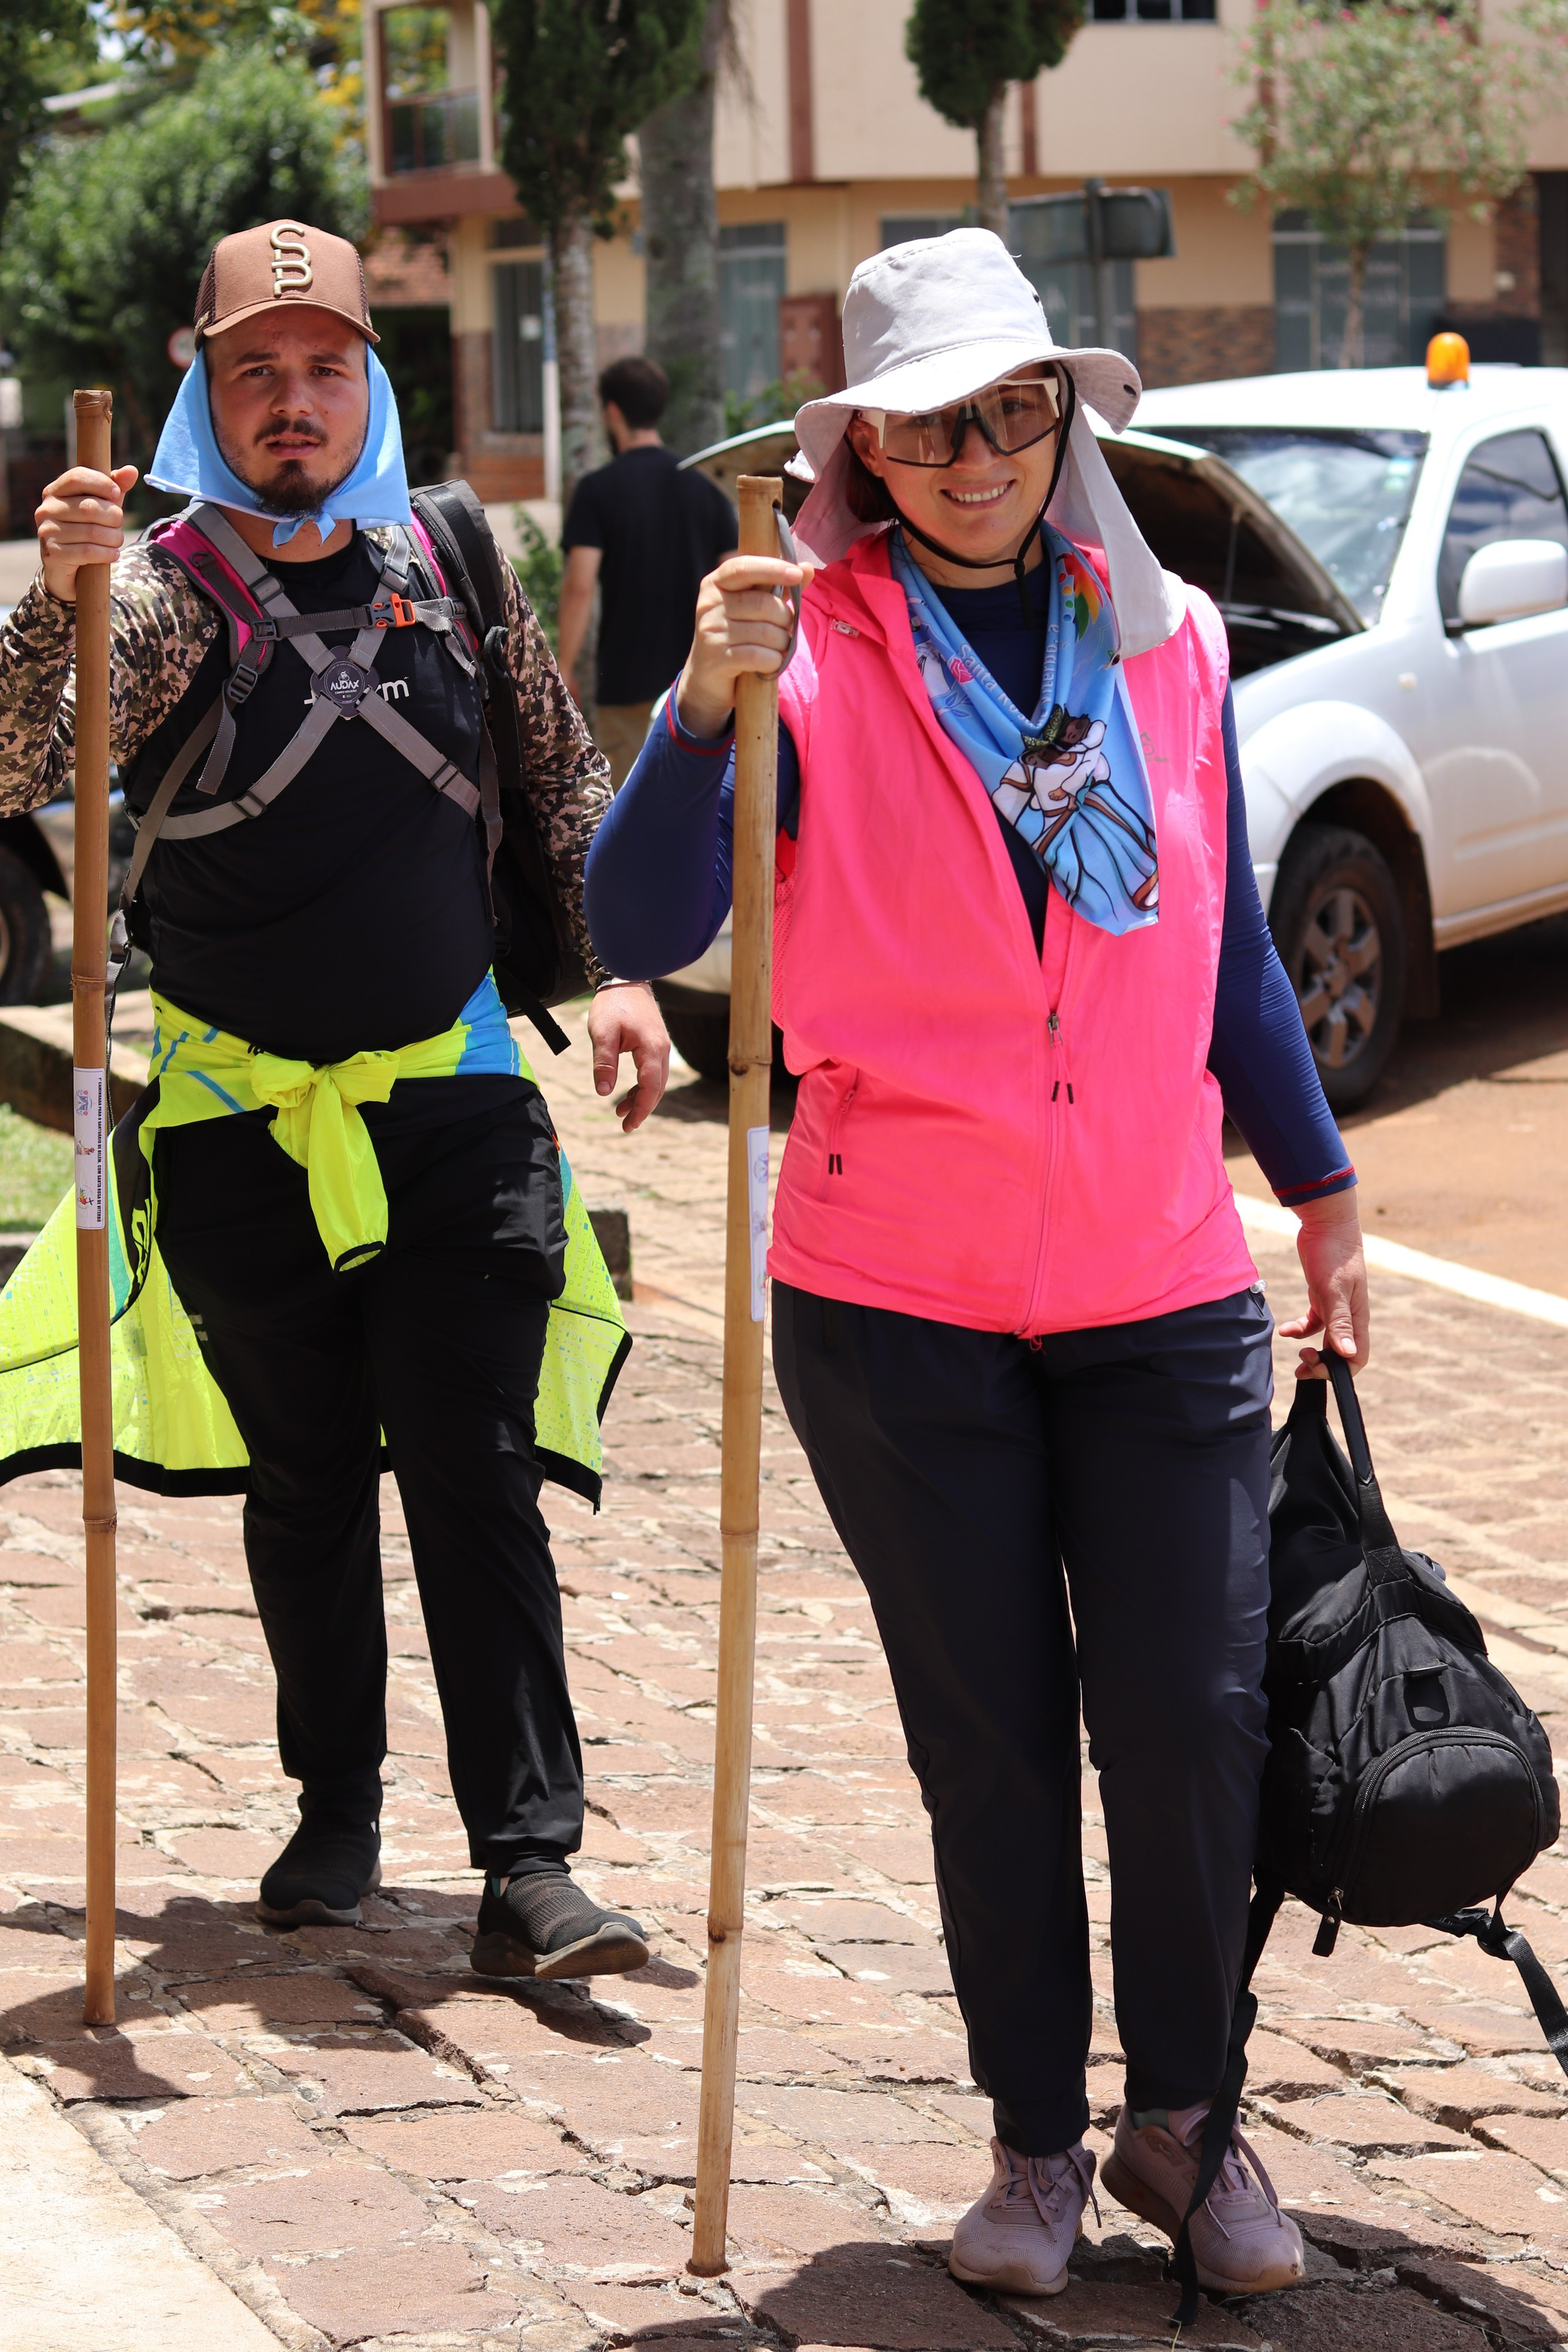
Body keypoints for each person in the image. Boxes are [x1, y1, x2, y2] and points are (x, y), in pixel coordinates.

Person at [583, 231, 1369, 2300]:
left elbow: (1215, 948)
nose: (976, 456)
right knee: (996, 1733)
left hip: (1161, 1275)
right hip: (895, 1292)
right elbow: (645, 905)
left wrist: (1323, 1185)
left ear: (1060, 418)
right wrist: (690, 706)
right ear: (868, 447)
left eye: (1010, 412)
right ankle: (1032, 2138)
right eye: (929, 424)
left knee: (1191, 1715)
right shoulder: (807, 656)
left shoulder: (1166, 641)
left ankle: (1185, 2129)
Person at [0, 219, 669, 1983]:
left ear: (370, 375)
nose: (292, 404)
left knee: (475, 1472)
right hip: (235, 1130)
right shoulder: (148, 591)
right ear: (198, 383)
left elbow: (558, 771)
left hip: (453, 1107)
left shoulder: (452, 553)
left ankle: (533, 1862)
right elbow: (9, 762)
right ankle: (337, 1811)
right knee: (303, 1485)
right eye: (254, 371)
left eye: (324, 368)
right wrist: (43, 608)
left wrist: (617, 969)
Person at [557, 354, 736, 788]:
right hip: (700, 683)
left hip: (627, 682)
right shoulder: (704, 489)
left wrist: (563, 667)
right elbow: (732, 579)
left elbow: (580, 587)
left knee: (631, 813)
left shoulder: (597, 490)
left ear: (612, 411)